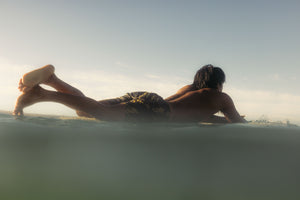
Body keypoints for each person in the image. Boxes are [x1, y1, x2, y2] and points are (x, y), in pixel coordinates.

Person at [13, 64, 246, 123]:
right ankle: (42, 94)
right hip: (158, 111)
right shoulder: (221, 98)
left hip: (148, 98)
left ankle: (53, 79)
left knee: (86, 109)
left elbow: (199, 115)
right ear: (219, 83)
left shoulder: (188, 90)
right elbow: (236, 123)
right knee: (100, 112)